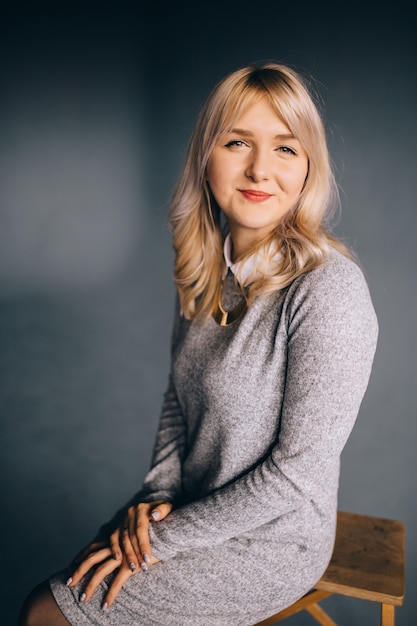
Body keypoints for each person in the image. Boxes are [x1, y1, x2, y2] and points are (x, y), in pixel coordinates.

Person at [18, 62, 378, 626]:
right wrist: (153, 500)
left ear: (308, 167)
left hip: (272, 542)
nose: (260, 168)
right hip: (191, 509)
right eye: (238, 142)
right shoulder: (209, 272)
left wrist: (163, 539)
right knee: (69, 583)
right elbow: (176, 402)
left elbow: (297, 473)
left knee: (47, 612)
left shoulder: (328, 288)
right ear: (206, 157)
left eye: (286, 148)